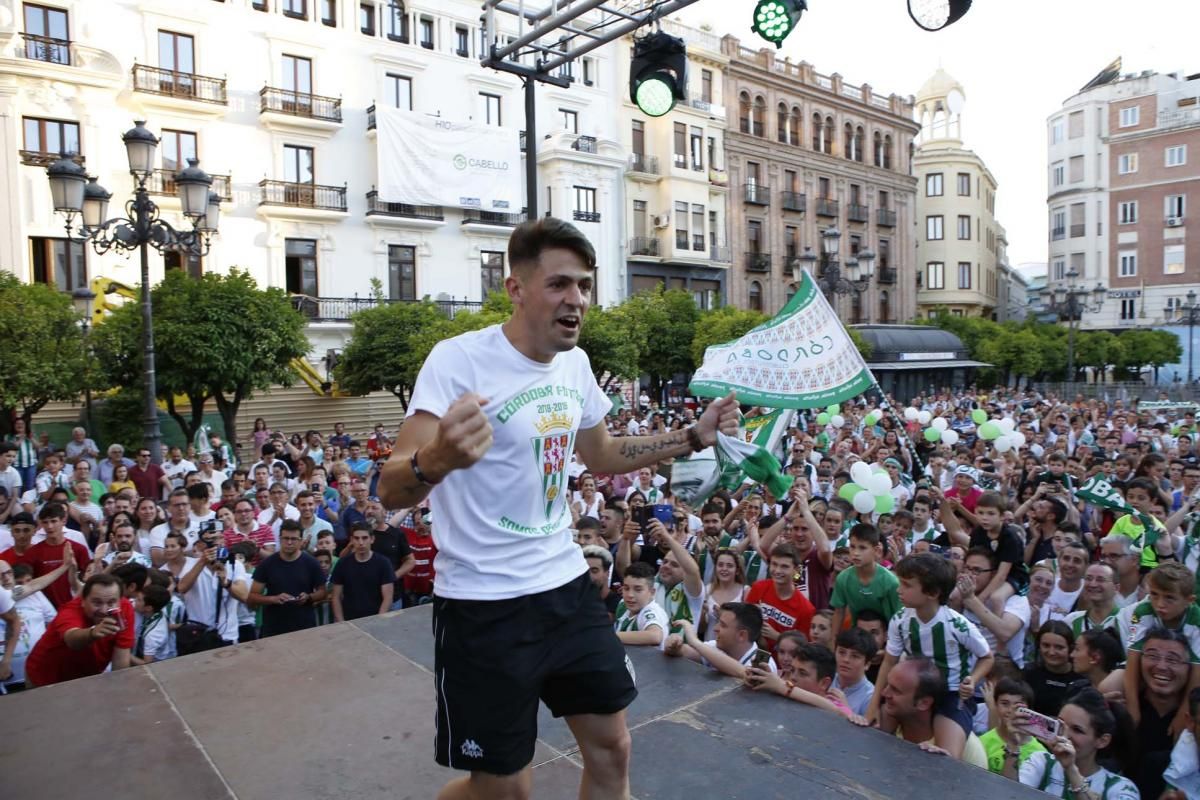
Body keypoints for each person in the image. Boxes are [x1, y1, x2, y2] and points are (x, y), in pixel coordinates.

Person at [378, 216, 738, 800]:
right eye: (560, 284)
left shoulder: (575, 365)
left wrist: (693, 436)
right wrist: (436, 458)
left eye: (585, 287)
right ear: (515, 289)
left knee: (612, 751)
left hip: (565, 587)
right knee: (503, 791)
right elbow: (390, 488)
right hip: (483, 604)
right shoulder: (457, 361)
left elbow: (604, 452)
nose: (576, 299)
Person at [868, 552, 994, 760]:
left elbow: (987, 657)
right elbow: (889, 661)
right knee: (876, 734)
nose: (899, 590)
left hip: (951, 693)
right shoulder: (900, 620)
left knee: (945, 756)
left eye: (907, 585)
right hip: (912, 692)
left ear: (933, 592)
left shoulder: (957, 625)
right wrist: (873, 706)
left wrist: (973, 679)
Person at [1017, 688, 1138, 800]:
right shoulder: (1041, 761)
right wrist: (1012, 745)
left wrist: (1071, 769)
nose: (1065, 735)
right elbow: (1009, 794)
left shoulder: (1119, 787)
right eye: (1061, 725)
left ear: (1102, 741)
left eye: (1077, 730)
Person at [1121, 562, 1200, 728]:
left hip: (1184, 673)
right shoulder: (1143, 611)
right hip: (1149, 668)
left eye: (1169, 597)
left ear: (1189, 600)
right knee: (1109, 685)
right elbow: (1133, 660)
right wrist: (1133, 709)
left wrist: (1183, 715)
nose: (1160, 604)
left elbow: (1196, 673)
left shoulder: (1196, 621)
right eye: (1154, 595)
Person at [870, 657, 989, 767]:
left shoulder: (964, 748)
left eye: (896, 690)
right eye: (888, 685)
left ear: (924, 703)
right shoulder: (887, 720)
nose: (884, 693)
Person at [23, 573, 133, 687]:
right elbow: (71, 639)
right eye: (97, 602)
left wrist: (119, 689)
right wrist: (92, 633)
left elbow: (121, 659)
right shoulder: (70, 611)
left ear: (120, 600)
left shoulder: (124, 610)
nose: (104, 610)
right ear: (83, 601)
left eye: (111, 602)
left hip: (86, 679)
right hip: (45, 678)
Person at [248, 519, 327, 637]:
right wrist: (273, 599)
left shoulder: (311, 563)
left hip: (304, 628)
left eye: (294, 539)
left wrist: (309, 597)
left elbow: (322, 592)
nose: (289, 542)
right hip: (274, 629)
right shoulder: (267, 564)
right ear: (280, 539)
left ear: (301, 541)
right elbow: (252, 596)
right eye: (286, 538)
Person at [664, 602, 773, 680]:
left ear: (741, 635)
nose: (715, 628)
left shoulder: (764, 662)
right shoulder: (717, 645)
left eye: (723, 625)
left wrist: (694, 641)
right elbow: (688, 652)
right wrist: (675, 645)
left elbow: (747, 674)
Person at [829, 523, 901, 634]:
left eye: (862, 548)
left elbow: (899, 617)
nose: (856, 553)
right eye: (852, 547)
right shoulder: (843, 578)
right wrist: (833, 642)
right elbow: (839, 613)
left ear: (876, 550)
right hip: (857, 637)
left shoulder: (891, 582)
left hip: (887, 638)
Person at [746, 543, 815, 652]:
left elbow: (804, 649)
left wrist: (778, 637)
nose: (777, 571)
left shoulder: (806, 609)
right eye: (774, 564)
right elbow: (743, 622)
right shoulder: (758, 587)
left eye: (784, 566)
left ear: (796, 570)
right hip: (751, 654)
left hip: (782, 665)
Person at [980, 677, 1047, 776]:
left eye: (1018, 706)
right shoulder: (982, 742)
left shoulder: (1040, 753)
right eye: (1005, 704)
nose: (1011, 710)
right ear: (995, 705)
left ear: (1029, 710)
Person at [330, 523, 395, 621]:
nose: (361, 542)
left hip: (375, 619)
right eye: (357, 538)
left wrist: (379, 620)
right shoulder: (343, 563)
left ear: (372, 539)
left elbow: (388, 598)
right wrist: (341, 622)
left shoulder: (383, 563)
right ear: (351, 540)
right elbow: (336, 597)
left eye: (364, 538)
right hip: (349, 621)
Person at [1023, 621, 1084, 717]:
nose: (1051, 652)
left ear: (1070, 648)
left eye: (1059, 647)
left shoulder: (1081, 678)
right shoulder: (1029, 673)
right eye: (1046, 645)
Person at [613, 562, 667, 646]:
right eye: (626, 588)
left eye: (638, 590)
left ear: (652, 592)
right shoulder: (623, 604)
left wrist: (609, 636)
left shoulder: (651, 611)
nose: (630, 595)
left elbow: (655, 636)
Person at [830, 627, 878, 716]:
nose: (846, 660)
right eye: (841, 652)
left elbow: (866, 730)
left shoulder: (870, 697)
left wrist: (846, 710)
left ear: (867, 664)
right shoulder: (826, 677)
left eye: (855, 656)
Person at [582, 544, 619, 618]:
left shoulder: (617, 604)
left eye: (594, 571)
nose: (589, 576)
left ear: (607, 573)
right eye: (585, 571)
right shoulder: (575, 600)